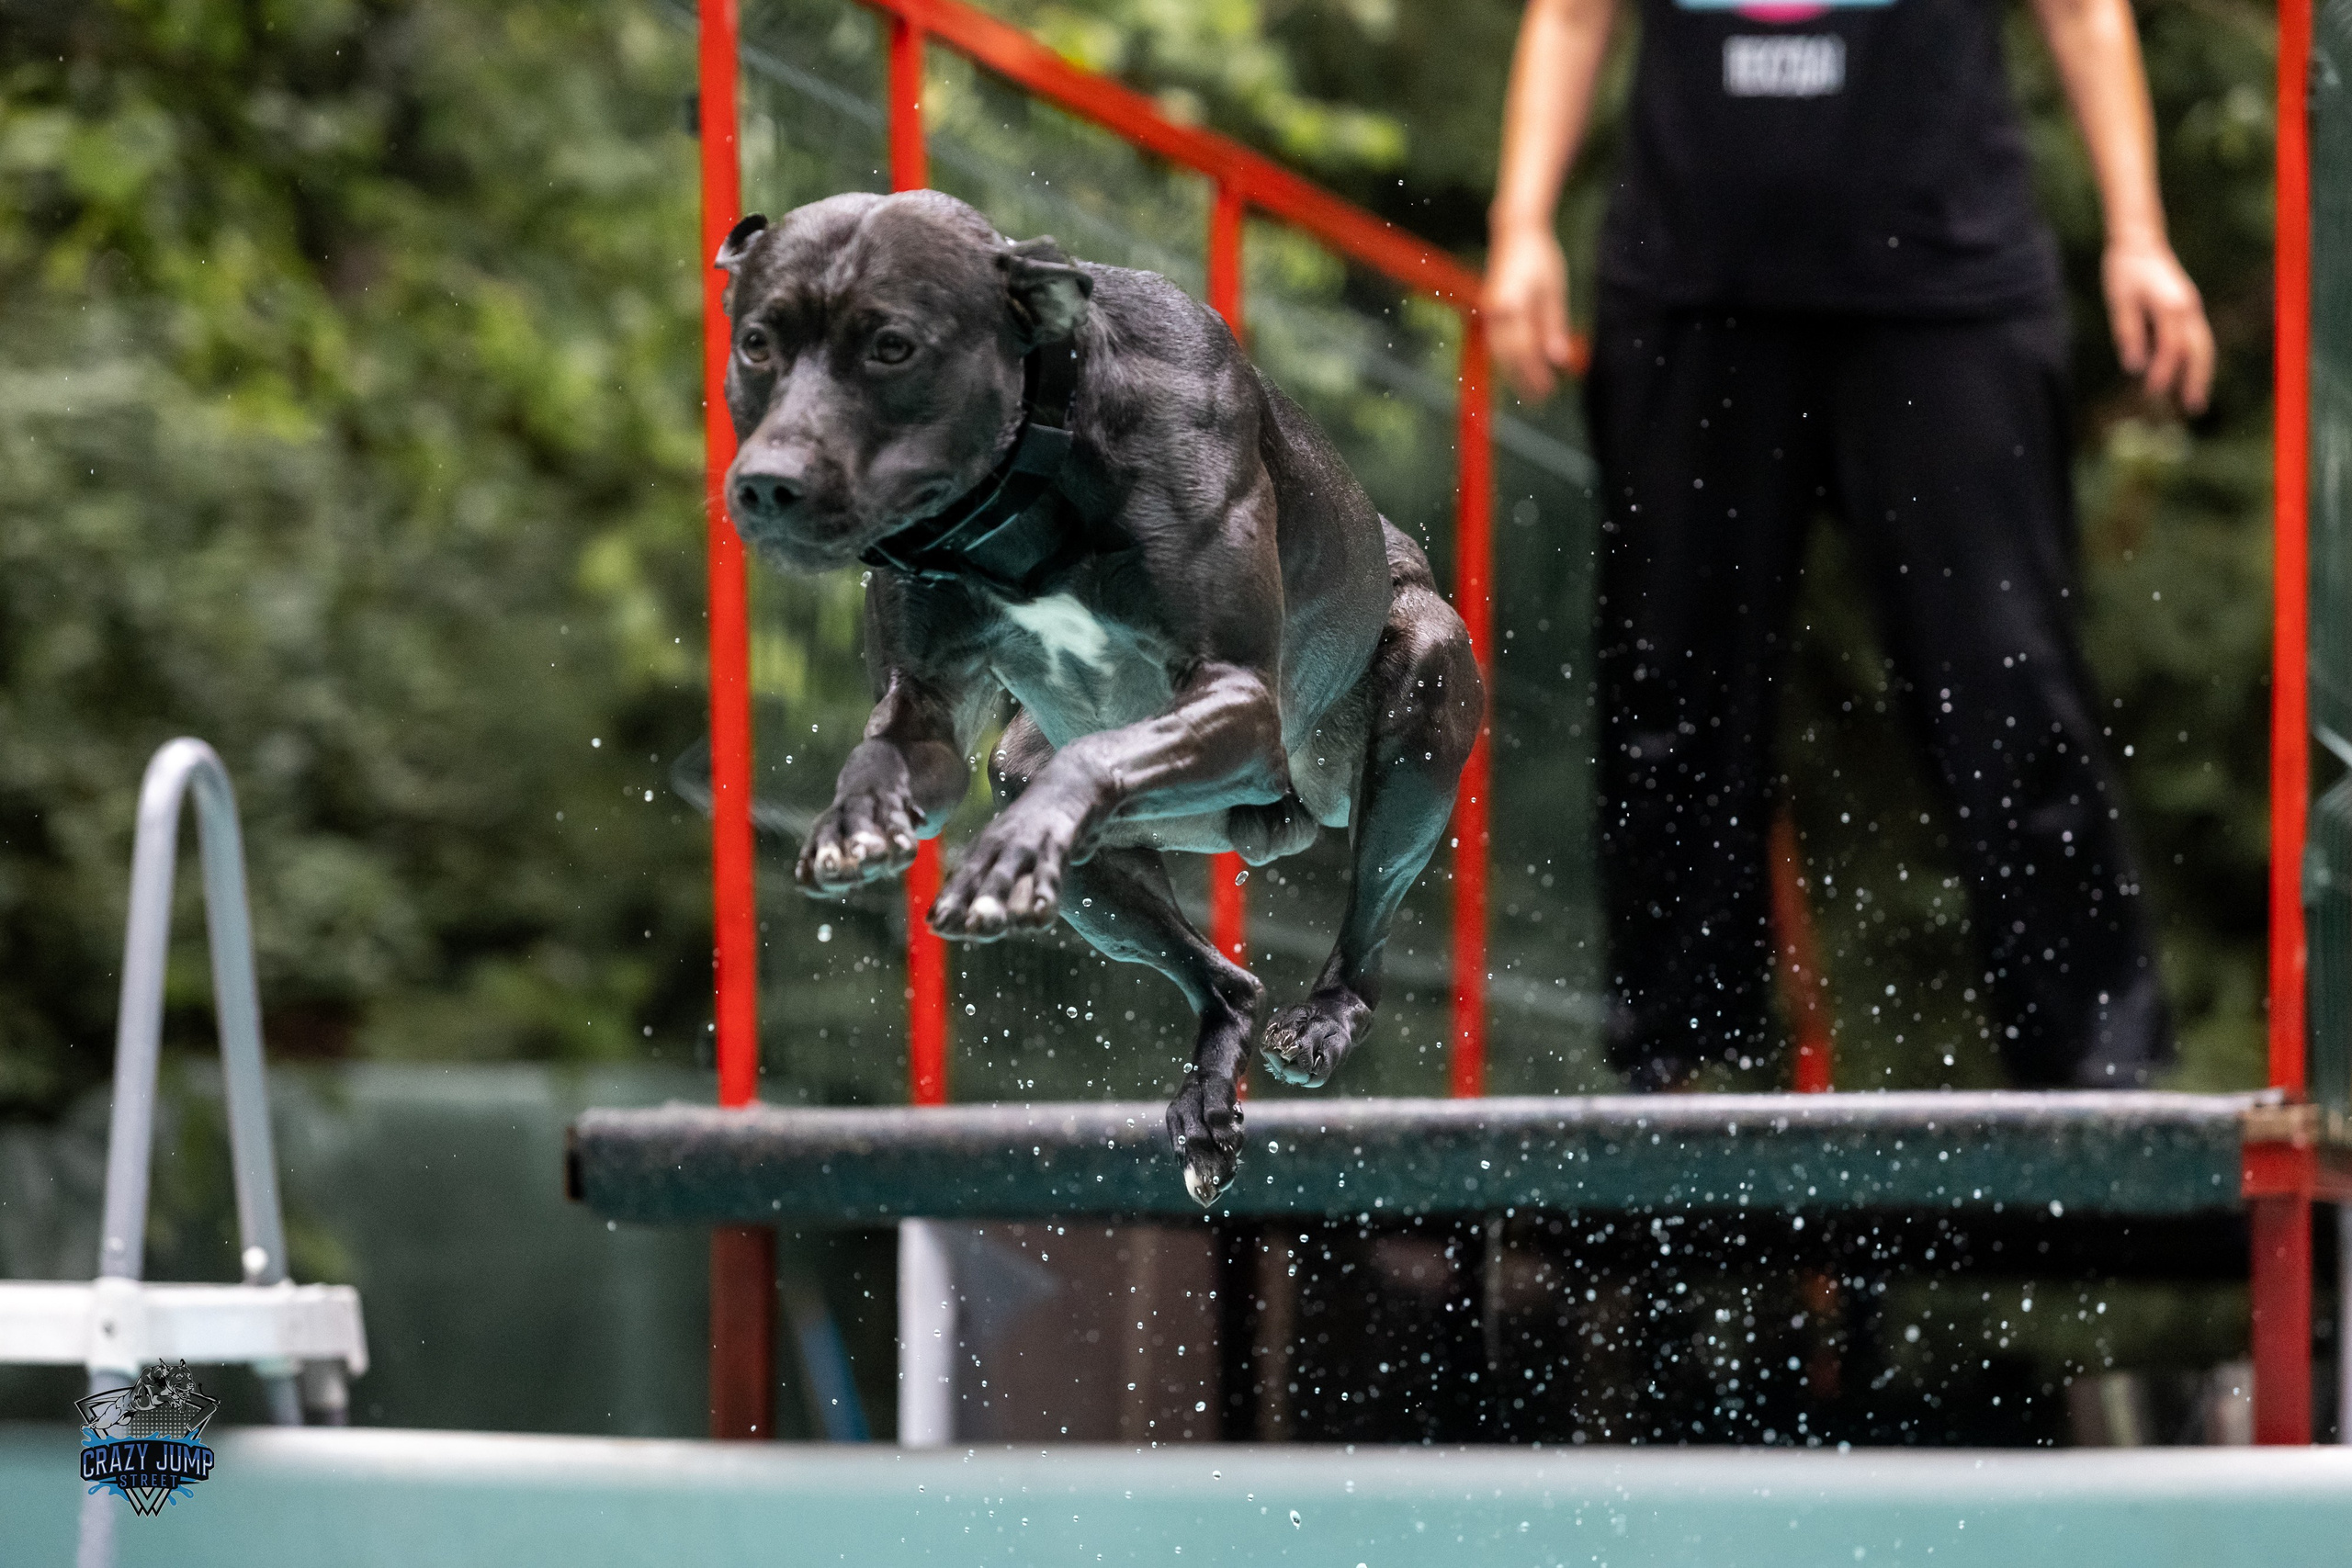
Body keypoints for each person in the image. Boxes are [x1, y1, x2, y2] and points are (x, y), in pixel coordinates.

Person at [1485, 0, 2213, 1089]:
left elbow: (2080, 10)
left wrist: (2140, 237)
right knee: (1670, 686)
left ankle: (2096, 1066)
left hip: (1947, 280)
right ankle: (1685, 1065)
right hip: (1694, 283)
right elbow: (1572, 15)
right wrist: (1520, 229)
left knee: (2008, 676)